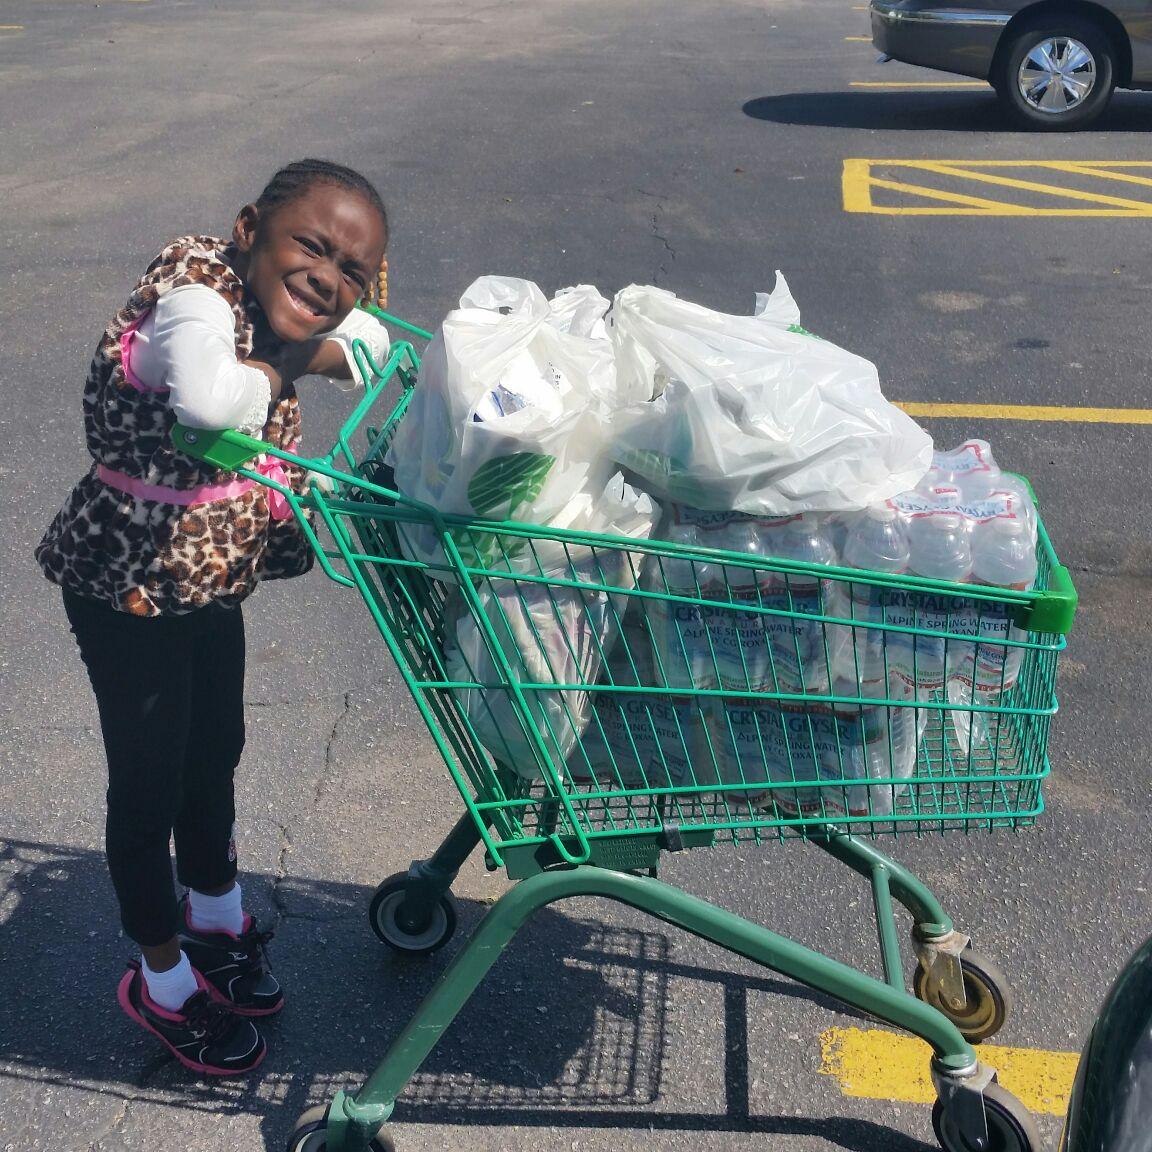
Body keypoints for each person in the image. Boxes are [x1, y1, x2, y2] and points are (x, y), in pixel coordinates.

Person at [35, 159, 391, 1076]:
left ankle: (217, 914)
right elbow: (205, 399)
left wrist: (353, 337)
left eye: (352, 270)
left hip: (203, 576)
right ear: (247, 230)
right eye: (310, 247)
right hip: (128, 582)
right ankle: (159, 979)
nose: (328, 278)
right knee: (149, 781)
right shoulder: (194, 299)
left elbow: (379, 344)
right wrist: (308, 356)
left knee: (216, 744)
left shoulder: (275, 307)